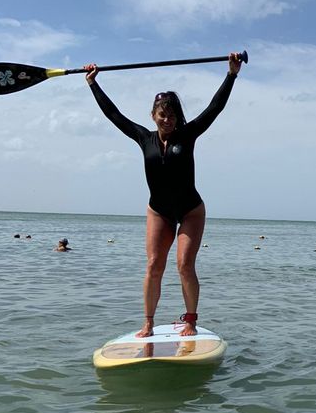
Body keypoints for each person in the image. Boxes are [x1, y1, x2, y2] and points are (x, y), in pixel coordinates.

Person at [84, 51, 244, 337]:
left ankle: (191, 319)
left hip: (190, 210)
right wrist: (94, 83)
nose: (167, 119)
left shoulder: (188, 134)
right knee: (154, 265)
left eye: (172, 115)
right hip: (158, 211)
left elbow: (214, 108)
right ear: (153, 115)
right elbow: (113, 115)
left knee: (184, 265)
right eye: (162, 114)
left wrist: (231, 74)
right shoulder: (143, 137)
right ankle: (148, 322)